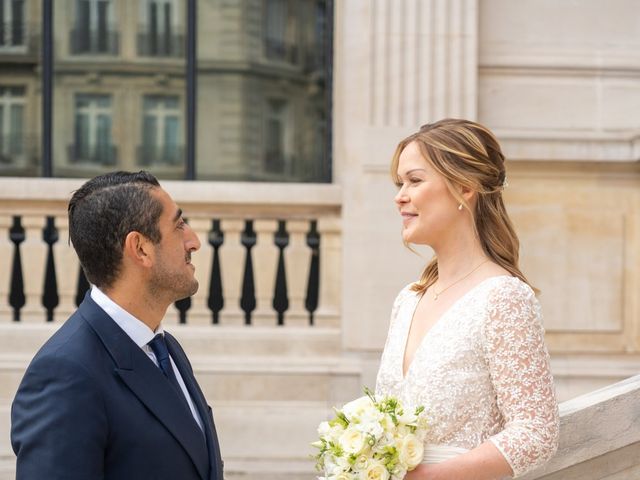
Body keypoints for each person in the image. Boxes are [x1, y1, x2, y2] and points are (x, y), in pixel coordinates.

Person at [375, 119, 559, 479]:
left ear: (464, 186)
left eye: (414, 180)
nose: (400, 196)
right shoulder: (409, 299)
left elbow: (536, 433)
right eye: (400, 184)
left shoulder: (503, 297)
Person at [11, 171, 223, 480]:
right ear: (140, 248)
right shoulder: (65, 373)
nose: (194, 241)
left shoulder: (166, 349)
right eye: (178, 226)